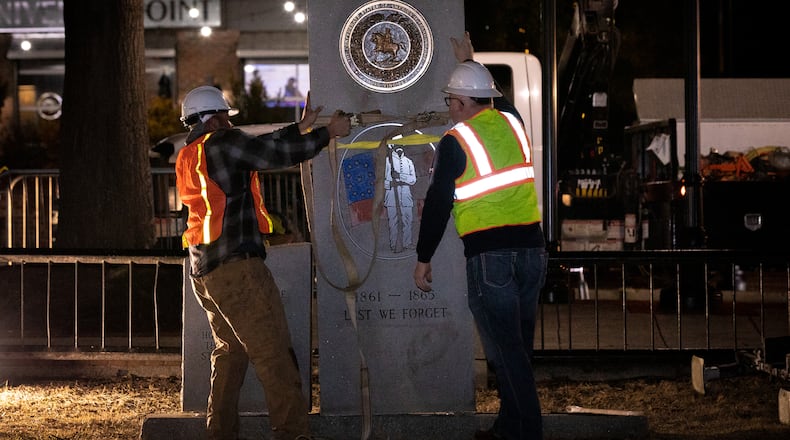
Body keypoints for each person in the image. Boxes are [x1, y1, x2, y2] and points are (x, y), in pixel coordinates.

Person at [175, 85, 351, 440]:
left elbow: (258, 147)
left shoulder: (189, 154)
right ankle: (292, 434)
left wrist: (299, 127)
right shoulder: (224, 142)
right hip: (238, 269)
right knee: (274, 357)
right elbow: (273, 152)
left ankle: (219, 433)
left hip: (205, 271)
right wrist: (326, 133)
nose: (229, 120)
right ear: (217, 116)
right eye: (226, 115)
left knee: (230, 354)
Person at [412, 32, 547, 440]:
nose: (449, 107)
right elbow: (499, 99)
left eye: (452, 100)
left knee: (506, 353)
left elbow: (438, 202)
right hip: (532, 253)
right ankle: (509, 426)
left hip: (491, 258)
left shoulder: (456, 140)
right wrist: (470, 60)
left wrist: (423, 258)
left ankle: (529, 432)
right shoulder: (513, 121)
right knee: (517, 349)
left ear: (466, 103)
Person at [384, 145, 417, 252]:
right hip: (392, 197)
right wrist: (390, 183)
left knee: (407, 220)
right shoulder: (387, 161)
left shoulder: (408, 162)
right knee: (393, 222)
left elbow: (413, 180)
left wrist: (400, 176)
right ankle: (394, 245)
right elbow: (381, 180)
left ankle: (407, 243)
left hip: (406, 196)